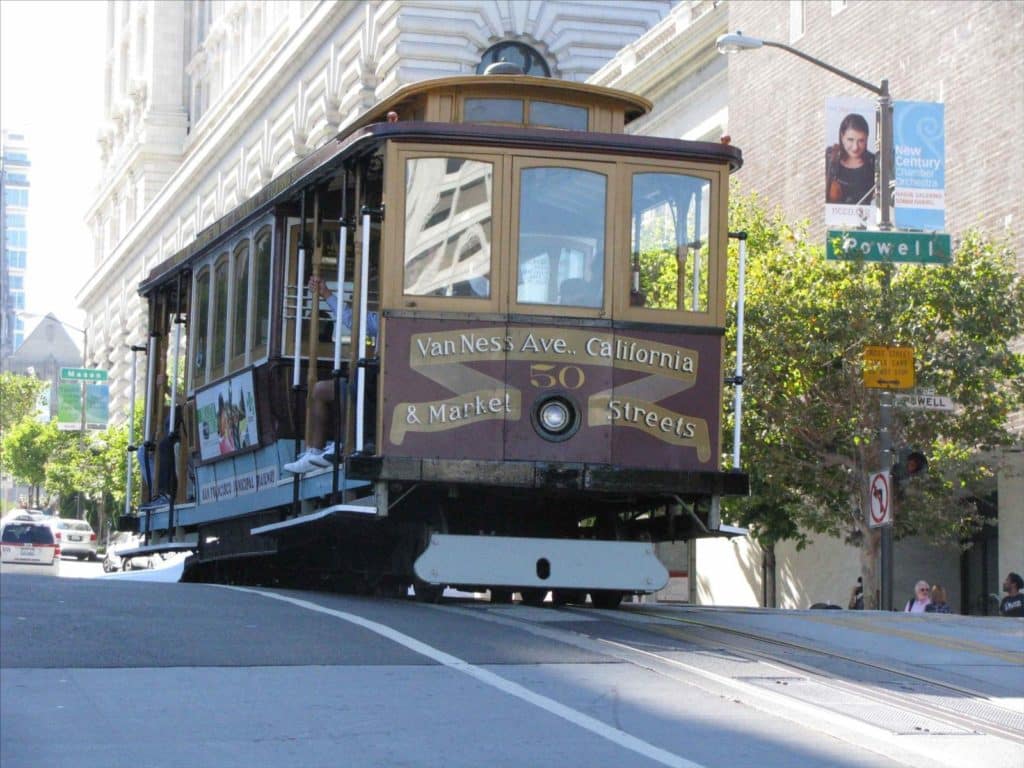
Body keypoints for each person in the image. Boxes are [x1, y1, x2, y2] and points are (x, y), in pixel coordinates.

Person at [284, 275, 378, 474]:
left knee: (353, 384)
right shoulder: (380, 320)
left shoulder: (392, 319)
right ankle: (315, 451)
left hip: (383, 382)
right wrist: (326, 294)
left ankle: (345, 444)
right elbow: (354, 321)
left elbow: (355, 322)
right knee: (320, 389)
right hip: (376, 379)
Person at [826, 113, 876, 206]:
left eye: (861, 141)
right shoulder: (829, 158)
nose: (855, 147)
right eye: (850, 139)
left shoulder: (875, 163)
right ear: (842, 136)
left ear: (867, 139)